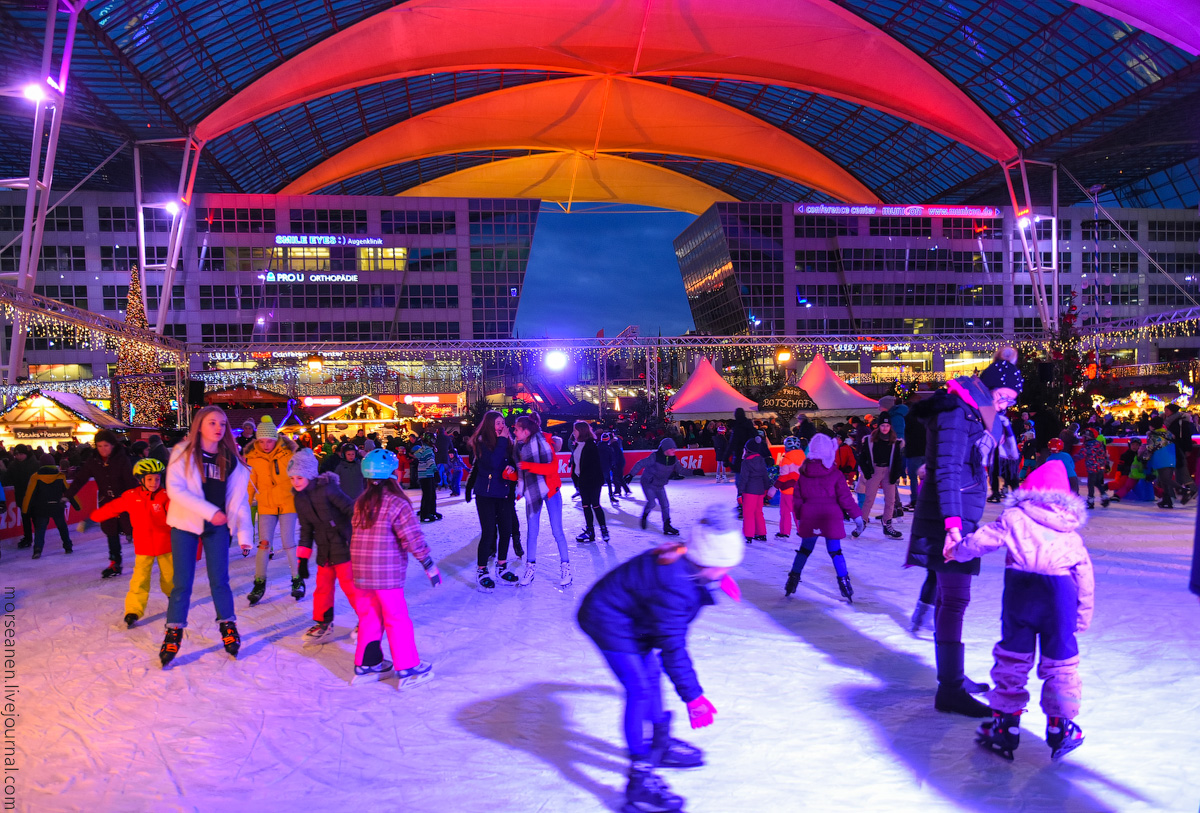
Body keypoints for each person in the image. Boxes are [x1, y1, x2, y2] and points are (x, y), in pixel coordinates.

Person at [577, 504, 744, 813]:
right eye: (725, 566)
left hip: (631, 616)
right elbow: (673, 648)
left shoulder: (689, 563)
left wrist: (719, 578)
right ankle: (638, 783)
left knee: (650, 676)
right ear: (709, 559)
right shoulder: (677, 586)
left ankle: (660, 743)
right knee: (639, 689)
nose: (727, 571)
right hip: (606, 617)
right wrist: (693, 698)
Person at [944, 460, 1093, 761]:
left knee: (1013, 658)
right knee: (1061, 662)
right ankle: (1060, 726)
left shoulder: (1014, 516)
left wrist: (956, 551)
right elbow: (1084, 577)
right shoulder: (1070, 532)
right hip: (1059, 599)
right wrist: (1082, 615)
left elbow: (982, 540)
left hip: (1021, 594)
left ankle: (1006, 725)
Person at [905, 350, 1023, 718]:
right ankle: (951, 690)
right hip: (948, 521)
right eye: (1003, 396)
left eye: (1012, 401)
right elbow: (947, 472)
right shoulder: (958, 412)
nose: (1005, 405)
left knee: (947, 598)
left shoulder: (978, 414)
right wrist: (953, 528)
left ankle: (951, 677)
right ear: (988, 388)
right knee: (955, 600)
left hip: (957, 517)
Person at [161, 406, 253, 667]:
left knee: (220, 580)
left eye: (222, 424)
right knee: (182, 582)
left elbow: (239, 500)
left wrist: (245, 533)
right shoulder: (183, 453)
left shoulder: (231, 459)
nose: (218, 428)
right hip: (185, 524)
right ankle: (173, 631)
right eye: (212, 423)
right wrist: (209, 511)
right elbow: (175, 490)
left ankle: (228, 625)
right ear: (200, 425)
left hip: (218, 528)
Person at [349, 448, 441, 686]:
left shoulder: (361, 502)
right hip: (387, 575)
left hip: (360, 574)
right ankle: (408, 668)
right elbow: (412, 538)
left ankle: (367, 664)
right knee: (396, 618)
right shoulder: (397, 502)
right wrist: (428, 564)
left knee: (369, 617)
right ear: (393, 474)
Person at [92, 459, 173, 628]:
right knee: (139, 579)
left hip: (166, 545)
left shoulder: (166, 496)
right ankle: (133, 610)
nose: (154, 483)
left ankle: (175, 600)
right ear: (140, 479)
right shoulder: (131, 496)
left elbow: (179, 516)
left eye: (157, 479)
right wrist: (93, 518)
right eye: (150, 479)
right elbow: (112, 507)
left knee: (170, 577)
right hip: (143, 546)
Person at [289, 448, 359, 645]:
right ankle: (324, 624)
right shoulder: (299, 498)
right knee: (322, 588)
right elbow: (306, 528)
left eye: (299, 477)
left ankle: (367, 619)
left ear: (310, 474)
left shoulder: (328, 489)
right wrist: (302, 559)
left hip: (343, 545)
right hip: (324, 550)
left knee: (350, 586)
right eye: (292, 478)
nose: (295, 482)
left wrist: (355, 533)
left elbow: (350, 509)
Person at [784, 433, 864, 602]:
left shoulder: (804, 474)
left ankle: (792, 580)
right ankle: (845, 585)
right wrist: (857, 516)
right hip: (831, 517)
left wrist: (799, 518)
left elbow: (797, 499)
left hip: (810, 516)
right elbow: (845, 498)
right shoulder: (835, 474)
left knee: (805, 550)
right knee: (835, 551)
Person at [245, 416, 303, 604]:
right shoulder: (253, 457)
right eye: (261, 441)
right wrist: (247, 504)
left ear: (275, 439)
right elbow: (250, 483)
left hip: (288, 503)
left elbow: (299, 475)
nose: (266, 445)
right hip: (266, 505)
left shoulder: (288, 454)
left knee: (288, 542)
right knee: (264, 544)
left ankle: (297, 579)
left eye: (269, 440)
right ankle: (259, 581)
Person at [66, 430, 137, 579]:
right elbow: (80, 479)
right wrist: (68, 494)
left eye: (106, 445)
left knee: (134, 529)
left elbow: (130, 481)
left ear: (112, 445)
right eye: (99, 446)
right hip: (106, 502)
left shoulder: (121, 459)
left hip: (125, 501)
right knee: (111, 534)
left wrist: (136, 499)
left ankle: (149, 556)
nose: (103, 449)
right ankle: (115, 563)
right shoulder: (94, 461)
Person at [513, 415, 571, 587]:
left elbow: (552, 467)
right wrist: (514, 479)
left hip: (551, 491)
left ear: (526, 431)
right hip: (533, 493)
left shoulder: (544, 442)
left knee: (557, 530)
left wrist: (529, 466)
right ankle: (530, 569)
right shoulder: (518, 447)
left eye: (516, 429)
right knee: (532, 532)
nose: (514, 431)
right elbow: (521, 472)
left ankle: (566, 567)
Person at [468, 411, 519, 591]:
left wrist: (512, 469)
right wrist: (504, 440)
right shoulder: (482, 442)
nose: (501, 426)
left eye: (502, 422)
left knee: (506, 531)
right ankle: (482, 570)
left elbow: (510, 462)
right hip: (486, 495)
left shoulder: (506, 442)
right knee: (489, 532)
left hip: (504, 494)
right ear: (490, 424)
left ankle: (502, 566)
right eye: (498, 423)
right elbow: (493, 463)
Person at [854, 413, 905, 540]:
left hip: (889, 471)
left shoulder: (895, 442)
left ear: (890, 427)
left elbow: (898, 460)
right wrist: (866, 471)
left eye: (887, 425)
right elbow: (862, 457)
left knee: (890, 500)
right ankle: (862, 523)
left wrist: (896, 474)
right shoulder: (870, 440)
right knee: (869, 498)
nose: (885, 428)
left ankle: (887, 523)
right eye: (883, 425)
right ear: (878, 426)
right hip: (875, 470)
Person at [22, 459, 80, 559]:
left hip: (42, 508)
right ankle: (68, 546)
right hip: (57, 507)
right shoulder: (60, 476)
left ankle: (37, 550)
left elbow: (29, 495)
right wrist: (77, 506)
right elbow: (69, 492)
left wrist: (25, 510)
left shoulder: (35, 477)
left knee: (40, 530)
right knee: (62, 528)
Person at [629, 438, 686, 536]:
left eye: (674, 448)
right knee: (652, 503)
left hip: (659, 484)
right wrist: (631, 475)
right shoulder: (655, 457)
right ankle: (644, 516)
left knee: (665, 505)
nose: (674, 450)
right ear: (665, 449)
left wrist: (695, 471)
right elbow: (640, 463)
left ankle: (667, 525)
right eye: (671, 448)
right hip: (648, 483)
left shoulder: (673, 459)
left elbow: (681, 470)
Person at [571, 422, 610, 543]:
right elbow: (576, 464)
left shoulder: (591, 446)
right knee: (586, 506)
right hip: (582, 481)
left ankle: (604, 530)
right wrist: (576, 480)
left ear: (581, 431)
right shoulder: (577, 445)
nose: (573, 432)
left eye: (575, 430)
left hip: (593, 481)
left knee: (595, 504)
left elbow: (594, 466)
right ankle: (590, 531)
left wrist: (585, 479)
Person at [736, 435, 772, 543]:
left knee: (748, 513)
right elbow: (765, 476)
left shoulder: (746, 462)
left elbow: (743, 479)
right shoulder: (761, 460)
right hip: (760, 491)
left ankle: (749, 534)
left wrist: (740, 493)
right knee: (758, 512)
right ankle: (761, 533)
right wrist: (766, 488)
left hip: (749, 491)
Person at [7, 445, 41, 550]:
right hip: (21, 497)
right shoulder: (13, 465)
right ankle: (28, 538)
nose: (19, 456)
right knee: (25, 519)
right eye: (16, 454)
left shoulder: (35, 464)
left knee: (36, 519)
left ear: (26, 454)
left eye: (21, 454)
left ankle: (39, 539)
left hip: (34, 497)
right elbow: (8, 479)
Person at [774, 436, 806, 539]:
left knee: (785, 512)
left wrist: (775, 487)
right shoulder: (804, 458)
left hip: (788, 490)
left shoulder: (786, 459)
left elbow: (783, 476)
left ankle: (784, 531)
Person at [1146, 416, 1179, 509]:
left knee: (1165, 479)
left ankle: (1184, 490)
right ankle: (1167, 499)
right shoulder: (1168, 433)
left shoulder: (1153, 435)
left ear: (1152, 425)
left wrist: (1144, 459)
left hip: (1160, 458)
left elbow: (1150, 448)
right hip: (1171, 457)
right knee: (1163, 480)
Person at [1080, 429, 1111, 509]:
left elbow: (1082, 454)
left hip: (1092, 468)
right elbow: (1104, 454)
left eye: (1085, 437)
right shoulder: (1099, 444)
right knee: (1097, 483)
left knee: (1090, 484)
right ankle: (1104, 497)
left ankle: (1090, 501)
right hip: (1100, 467)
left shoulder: (1088, 445)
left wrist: (1070, 460)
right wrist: (1105, 464)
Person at [413, 434, 439, 522]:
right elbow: (430, 462)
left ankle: (431, 511)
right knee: (428, 495)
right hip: (427, 475)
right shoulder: (428, 450)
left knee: (430, 494)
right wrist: (436, 472)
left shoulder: (423, 449)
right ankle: (425, 513)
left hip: (425, 475)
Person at [610, 432, 632, 496]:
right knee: (618, 477)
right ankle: (624, 490)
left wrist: (614, 464)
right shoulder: (615, 444)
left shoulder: (613, 446)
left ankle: (619, 490)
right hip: (619, 463)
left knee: (616, 477)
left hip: (618, 463)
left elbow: (615, 456)